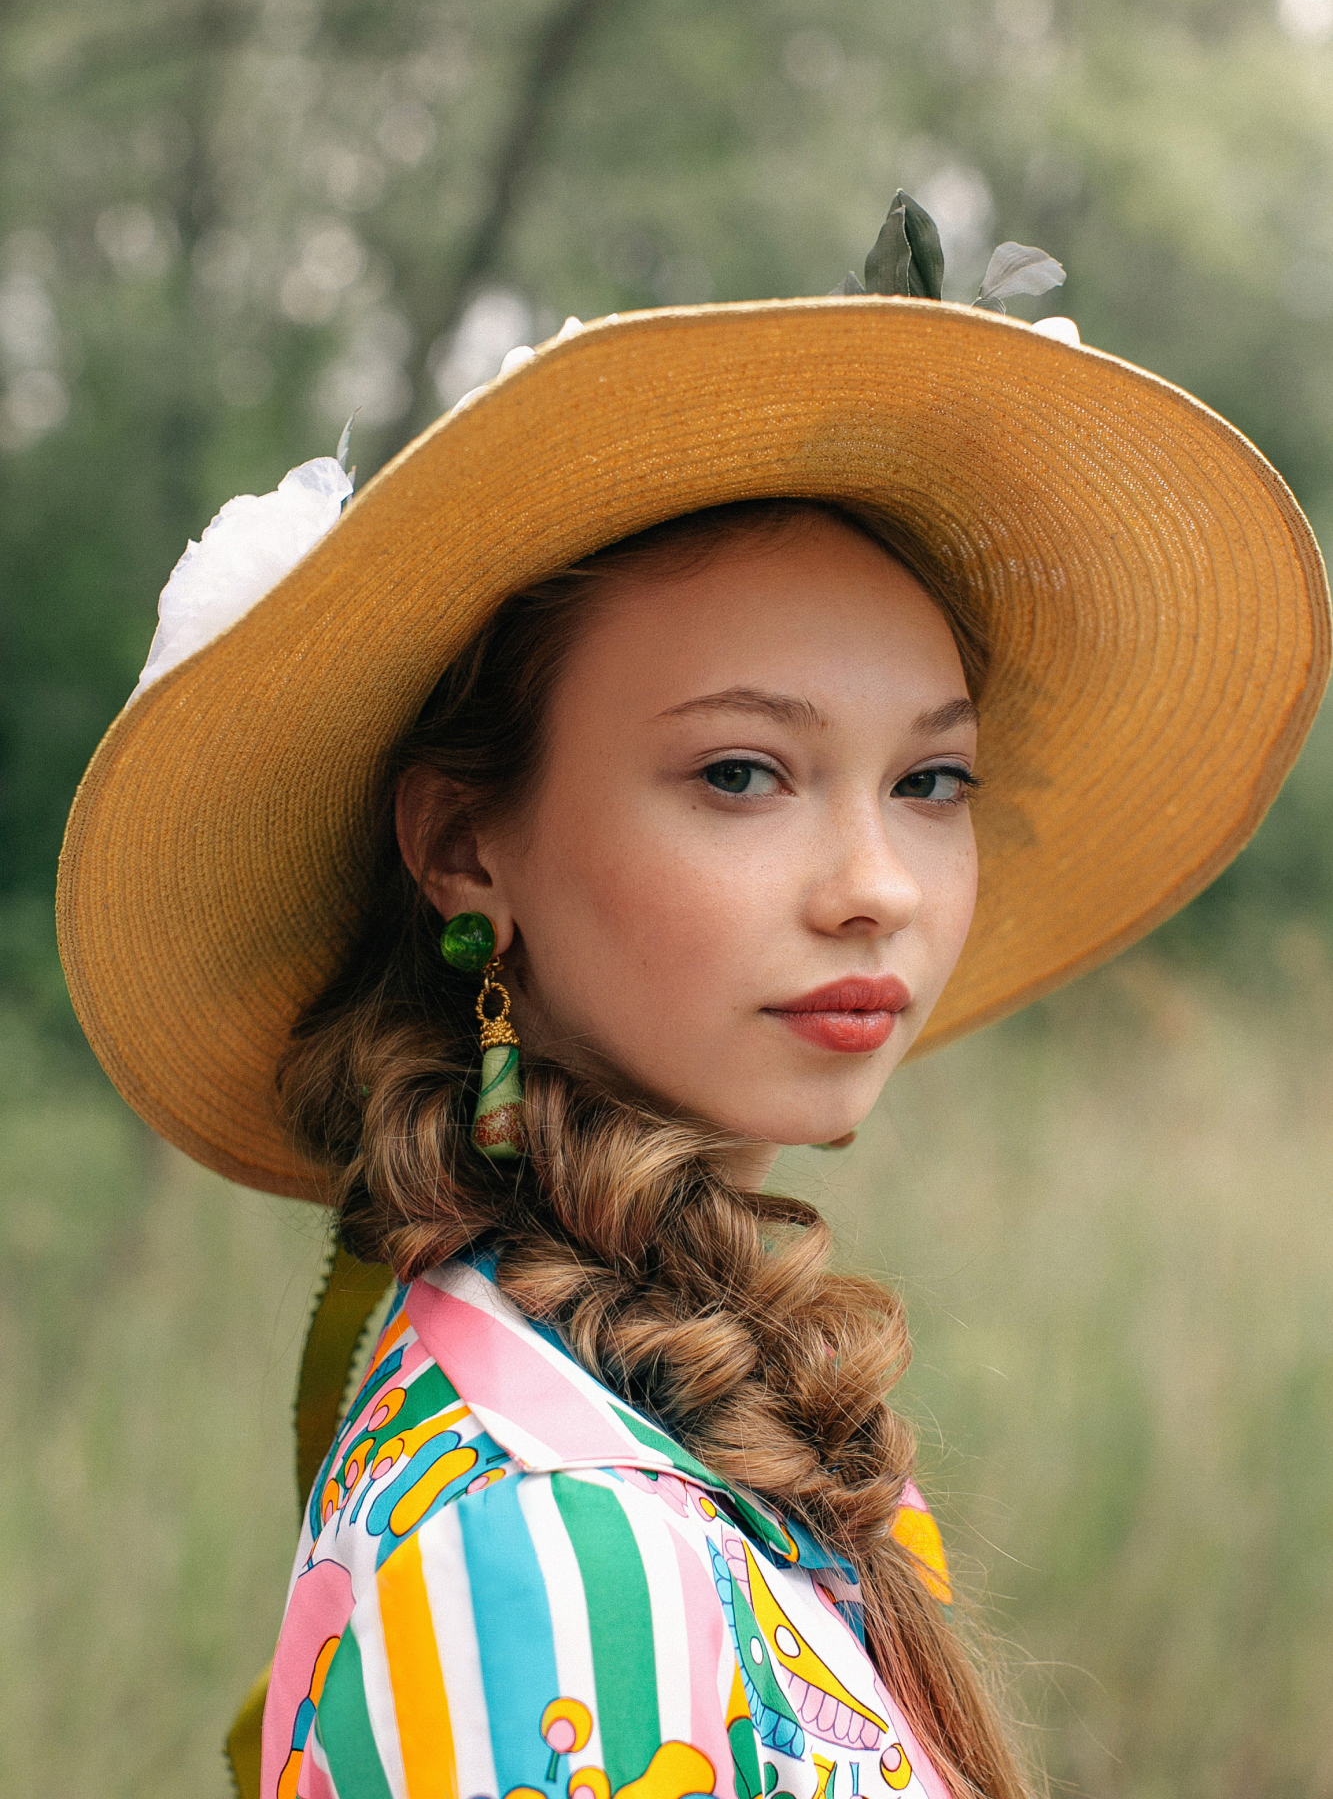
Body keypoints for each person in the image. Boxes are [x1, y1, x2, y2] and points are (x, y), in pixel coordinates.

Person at [57, 197, 1330, 1799]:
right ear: (465, 844)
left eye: (932, 778)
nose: (874, 881)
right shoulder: (544, 1540)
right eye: (742, 772)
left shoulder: (661, 1406)